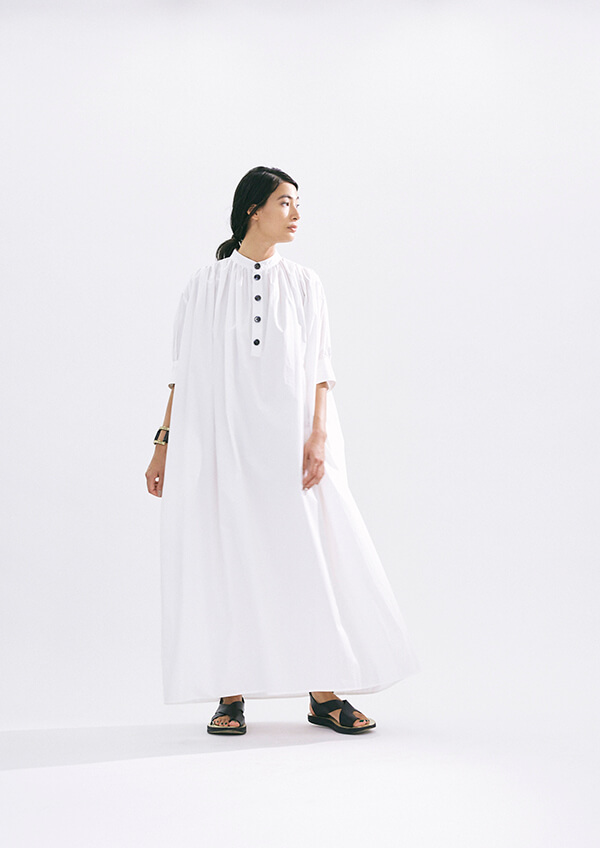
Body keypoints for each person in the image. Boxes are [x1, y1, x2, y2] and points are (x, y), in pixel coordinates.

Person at [145, 166, 420, 736]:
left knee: (308, 555)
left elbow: (320, 368)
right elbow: (181, 373)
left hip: (292, 445)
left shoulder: (304, 284)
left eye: (297, 203)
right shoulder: (204, 285)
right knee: (226, 557)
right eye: (285, 202)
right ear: (254, 209)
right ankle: (230, 696)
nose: (296, 213)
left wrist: (319, 435)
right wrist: (163, 444)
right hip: (223, 443)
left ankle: (323, 692)